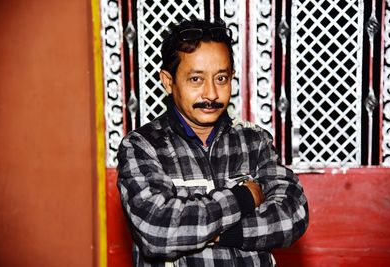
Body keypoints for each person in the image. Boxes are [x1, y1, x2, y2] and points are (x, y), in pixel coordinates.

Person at [117, 18, 308, 267]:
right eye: (196, 79)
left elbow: (293, 214)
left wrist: (221, 233)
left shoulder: (254, 141)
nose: (211, 94)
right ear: (168, 80)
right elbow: (158, 230)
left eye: (221, 78)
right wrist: (243, 198)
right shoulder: (142, 147)